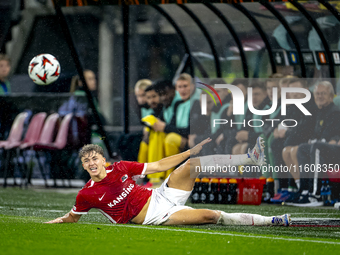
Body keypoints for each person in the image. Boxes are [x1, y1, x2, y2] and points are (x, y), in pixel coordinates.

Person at [45, 136, 290, 227]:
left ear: (103, 159)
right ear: (84, 166)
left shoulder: (121, 167)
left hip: (161, 195)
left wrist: (188, 152)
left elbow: (159, 165)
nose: (91, 162)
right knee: (211, 216)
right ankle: (272, 220)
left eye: (94, 157)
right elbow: (73, 217)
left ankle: (250, 158)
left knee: (193, 165)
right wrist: (55, 221)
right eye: (86, 160)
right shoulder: (86, 194)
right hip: (154, 217)